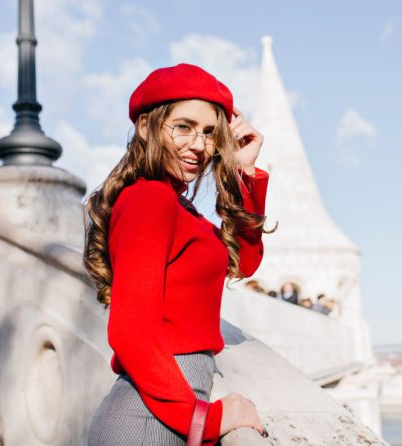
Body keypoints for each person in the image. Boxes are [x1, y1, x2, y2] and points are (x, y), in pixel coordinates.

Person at [84, 63, 276, 445]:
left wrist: (245, 171)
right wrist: (206, 419)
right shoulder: (149, 198)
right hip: (150, 417)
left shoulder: (177, 207)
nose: (199, 145)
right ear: (146, 126)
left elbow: (244, 261)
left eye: (210, 132)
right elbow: (131, 332)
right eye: (184, 127)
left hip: (161, 409)